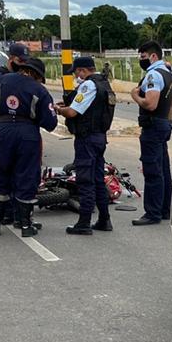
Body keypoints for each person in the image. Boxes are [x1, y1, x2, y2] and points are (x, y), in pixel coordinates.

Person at [0, 56, 57, 237]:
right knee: (27, 176)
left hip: (2, 131)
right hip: (27, 135)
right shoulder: (39, 90)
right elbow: (50, 123)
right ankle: (25, 225)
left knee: (1, 174)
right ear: (37, 74)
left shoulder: (2, 80)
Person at [55, 56, 114, 235]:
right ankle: (104, 219)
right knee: (97, 180)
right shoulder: (105, 84)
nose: (76, 76)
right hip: (100, 138)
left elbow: (73, 112)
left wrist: (59, 109)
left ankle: (84, 222)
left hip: (87, 139)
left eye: (76, 72)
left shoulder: (89, 85)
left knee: (85, 180)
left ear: (82, 70)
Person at [129, 40, 172, 226]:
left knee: (152, 170)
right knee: (163, 169)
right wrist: (167, 121)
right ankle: (164, 209)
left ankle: (152, 213)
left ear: (153, 56)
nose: (141, 61)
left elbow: (151, 103)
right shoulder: (169, 75)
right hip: (163, 125)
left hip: (152, 126)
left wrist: (135, 96)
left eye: (143, 57)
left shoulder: (153, 75)